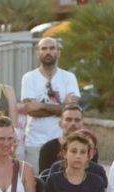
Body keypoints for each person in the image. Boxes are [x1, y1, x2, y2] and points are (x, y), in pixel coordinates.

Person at [21, 37, 80, 170]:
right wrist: (62, 107)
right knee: (37, 183)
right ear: (37, 53)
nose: (48, 52)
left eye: (52, 48)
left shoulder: (69, 78)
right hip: (35, 142)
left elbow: (71, 110)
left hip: (63, 142)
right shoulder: (29, 78)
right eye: (44, 48)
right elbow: (31, 110)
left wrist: (41, 105)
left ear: (58, 52)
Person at [38, 103, 84, 173]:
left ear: (82, 124)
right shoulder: (47, 148)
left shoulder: (90, 149)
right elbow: (44, 179)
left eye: (77, 120)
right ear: (60, 123)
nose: (73, 123)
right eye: (68, 120)